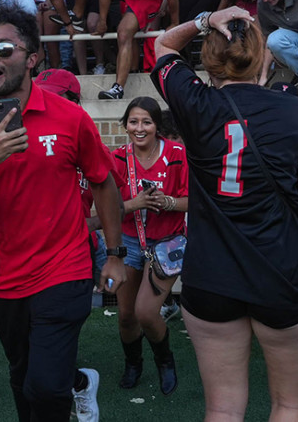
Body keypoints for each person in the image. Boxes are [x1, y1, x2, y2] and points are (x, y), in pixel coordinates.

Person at [0, 2, 125, 422]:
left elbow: (102, 180)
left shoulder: (69, 117)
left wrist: (115, 252)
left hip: (64, 270)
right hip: (3, 279)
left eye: (5, 48)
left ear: (32, 58)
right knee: (23, 377)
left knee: (44, 386)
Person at [150, 6, 298, 422]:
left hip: (212, 272)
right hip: (283, 270)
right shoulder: (295, 111)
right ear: (262, 53)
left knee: (223, 409)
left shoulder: (195, 102)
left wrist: (207, 18)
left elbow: (161, 45)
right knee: (290, 405)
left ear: (209, 59)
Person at [106, 96, 188, 394]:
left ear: (157, 126)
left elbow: (196, 201)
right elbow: (107, 210)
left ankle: (165, 361)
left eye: (146, 122)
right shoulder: (117, 158)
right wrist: (136, 203)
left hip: (166, 244)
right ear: (126, 125)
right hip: (127, 242)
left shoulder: (177, 154)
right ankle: (133, 364)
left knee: (145, 312)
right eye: (133, 122)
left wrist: (167, 202)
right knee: (126, 315)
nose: (139, 128)